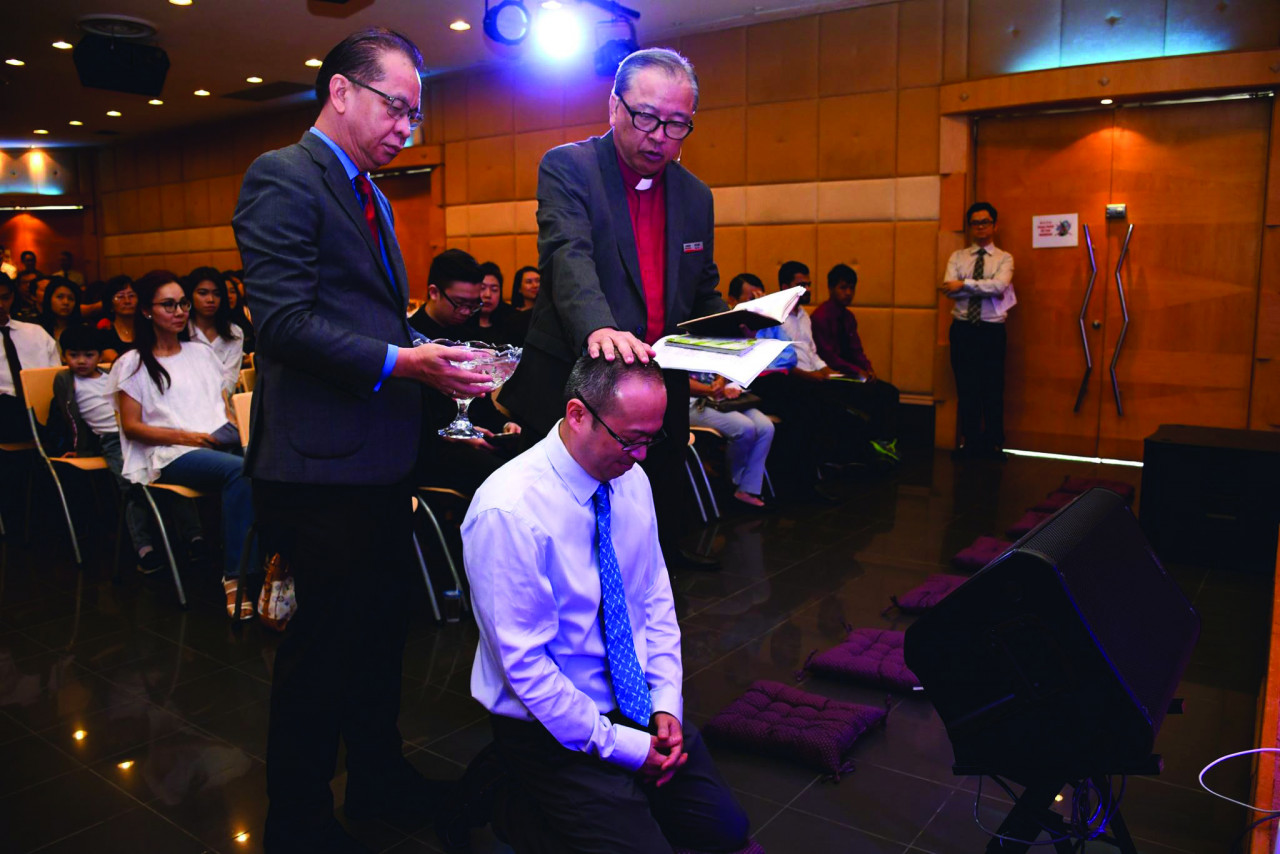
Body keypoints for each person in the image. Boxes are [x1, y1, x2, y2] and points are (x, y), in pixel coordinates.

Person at [231, 27, 492, 853]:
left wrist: (433, 360)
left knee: (380, 636)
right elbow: (283, 323)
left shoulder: (371, 193)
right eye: (396, 107)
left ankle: (379, 780)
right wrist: (405, 361)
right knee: (323, 650)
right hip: (318, 467)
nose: (406, 128)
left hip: (378, 457)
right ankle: (298, 820)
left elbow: (370, 318)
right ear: (341, 91)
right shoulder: (283, 175)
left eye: (415, 115)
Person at [458, 356, 749, 853]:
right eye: (630, 439)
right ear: (577, 415)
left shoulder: (630, 476)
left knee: (724, 831)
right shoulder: (508, 510)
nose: (641, 455)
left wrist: (666, 705)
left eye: (651, 438)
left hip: (632, 700)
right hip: (549, 721)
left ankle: (612, 794)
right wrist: (626, 749)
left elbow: (654, 599)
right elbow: (526, 667)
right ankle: (505, 793)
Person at [499, 47, 725, 571]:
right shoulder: (570, 167)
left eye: (677, 124)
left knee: (648, 535)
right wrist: (598, 327)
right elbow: (567, 256)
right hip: (573, 387)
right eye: (646, 116)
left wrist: (738, 331)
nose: (659, 136)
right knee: (565, 546)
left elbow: (701, 289)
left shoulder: (695, 195)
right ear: (614, 106)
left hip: (657, 396)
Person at [109, 270, 255, 615]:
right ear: (147, 311)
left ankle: (278, 566)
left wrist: (233, 428)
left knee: (268, 462)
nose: (180, 312)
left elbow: (219, 406)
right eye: (169, 305)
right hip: (170, 453)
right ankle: (236, 578)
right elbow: (132, 427)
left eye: (183, 304)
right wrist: (189, 437)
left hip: (211, 440)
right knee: (241, 472)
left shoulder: (200, 353)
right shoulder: (132, 362)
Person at [47, 324, 196, 575]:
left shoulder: (111, 375)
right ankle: (144, 548)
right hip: (111, 439)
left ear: (100, 356)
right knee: (132, 486)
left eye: (89, 355)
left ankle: (194, 537)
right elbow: (70, 419)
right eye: (74, 355)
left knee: (173, 473)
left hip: (140, 433)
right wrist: (80, 449)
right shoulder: (65, 380)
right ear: (63, 356)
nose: (81, 361)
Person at [408, 249, 521, 494]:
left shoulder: (469, 335)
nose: (467, 312)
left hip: (476, 439)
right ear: (434, 292)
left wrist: (505, 425)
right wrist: (459, 435)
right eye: (460, 304)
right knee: (507, 480)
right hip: (431, 447)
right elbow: (413, 417)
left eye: (474, 305)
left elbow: (482, 402)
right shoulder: (409, 341)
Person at [942, 202, 1015, 460]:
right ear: (970, 227)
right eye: (975, 223)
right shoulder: (957, 257)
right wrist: (980, 286)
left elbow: (999, 287)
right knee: (966, 387)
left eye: (985, 222)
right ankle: (970, 442)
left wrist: (964, 284)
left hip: (991, 331)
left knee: (992, 388)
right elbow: (949, 289)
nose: (980, 227)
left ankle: (994, 444)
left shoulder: (1004, 258)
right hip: (963, 329)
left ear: (995, 225)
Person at [811, 263, 901, 462]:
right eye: (843, 288)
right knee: (872, 397)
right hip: (832, 375)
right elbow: (828, 356)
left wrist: (867, 368)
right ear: (831, 288)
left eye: (852, 288)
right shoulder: (821, 317)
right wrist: (857, 371)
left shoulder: (848, 317)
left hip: (850, 373)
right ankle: (872, 445)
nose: (848, 293)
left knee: (889, 392)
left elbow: (856, 349)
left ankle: (883, 442)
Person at [688, 371, 774, 510]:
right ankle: (734, 483)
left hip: (720, 397)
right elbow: (676, 382)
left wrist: (721, 380)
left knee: (765, 427)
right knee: (745, 428)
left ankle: (748, 488)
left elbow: (723, 367)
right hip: (693, 403)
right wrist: (711, 389)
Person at [0, 274, 61, 441]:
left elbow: (57, 377)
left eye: (5, 298)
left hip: (43, 411)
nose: (0, 305)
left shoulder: (35, 333)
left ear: (13, 297)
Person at [183, 267, 245, 393]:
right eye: (203, 293)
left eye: (217, 294)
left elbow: (229, 382)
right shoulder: (181, 332)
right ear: (190, 296)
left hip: (222, 401)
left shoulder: (234, 332)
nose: (211, 299)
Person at [96, 276, 139, 362]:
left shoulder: (149, 330)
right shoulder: (104, 334)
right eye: (120, 297)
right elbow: (116, 362)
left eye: (131, 296)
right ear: (110, 304)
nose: (127, 301)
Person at [472, 260, 515, 345]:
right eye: (482, 288)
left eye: (494, 289)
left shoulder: (512, 324)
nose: (487, 295)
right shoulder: (460, 324)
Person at [38, 277, 83, 352]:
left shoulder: (82, 331)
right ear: (49, 299)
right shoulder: (37, 329)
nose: (66, 302)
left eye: (71, 298)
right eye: (60, 297)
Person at [503, 265, 539, 345]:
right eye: (529, 282)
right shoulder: (510, 316)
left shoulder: (546, 313)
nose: (535, 285)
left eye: (538, 281)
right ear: (519, 288)